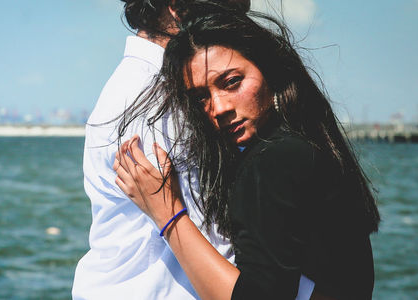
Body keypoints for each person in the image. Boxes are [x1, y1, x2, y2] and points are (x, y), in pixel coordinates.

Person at [114, 8, 380, 300]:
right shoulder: (305, 143)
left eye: (231, 82)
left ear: (268, 68)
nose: (219, 108)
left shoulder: (276, 159)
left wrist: (168, 214)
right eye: (201, 97)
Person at [72, 1, 263, 299]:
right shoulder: (159, 100)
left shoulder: (135, 87)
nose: (238, 27)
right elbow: (215, 251)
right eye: (229, 10)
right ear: (179, 6)